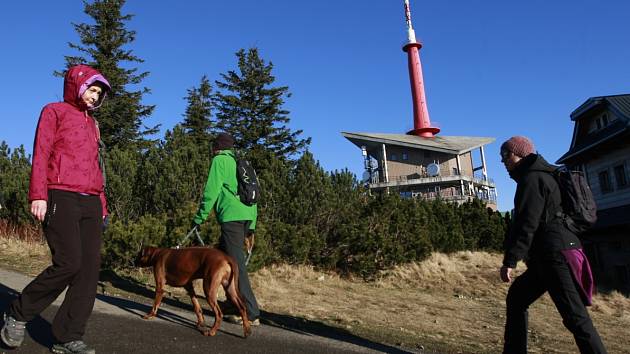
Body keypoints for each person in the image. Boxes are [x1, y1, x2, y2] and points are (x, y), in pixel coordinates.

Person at [1, 65, 110, 354]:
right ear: (77, 85)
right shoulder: (54, 111)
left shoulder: (92, 123)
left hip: (91, 201)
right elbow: (42, 151)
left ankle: (68, 336)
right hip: (59, 194)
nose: (94, 96)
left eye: (99, 92)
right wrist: (38, 194)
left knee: (88, 272)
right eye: (91, 89)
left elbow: (97, 168)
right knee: (69, 263)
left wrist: (102, 206)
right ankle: (18, 313)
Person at [499, 136, 606, 354]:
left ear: (521, 154)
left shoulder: (532, 179)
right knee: (517, 298)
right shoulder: (544, 175)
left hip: (555, 254)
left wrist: (510, 260)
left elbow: (526, 223)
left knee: (576, 319)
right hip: (550, 254)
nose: (504, 161)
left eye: (506, 155)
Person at [191, 132, 261, 326]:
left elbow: (211, 191)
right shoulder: (241, 164)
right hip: (246, 217)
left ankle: (250, 311)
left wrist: (199, 217)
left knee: (235, 265)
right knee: (223, 260)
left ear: (217, 147)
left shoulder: (219, 160)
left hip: (232, 218)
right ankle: (232, 304)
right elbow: (252, 195)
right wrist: (252, 226)